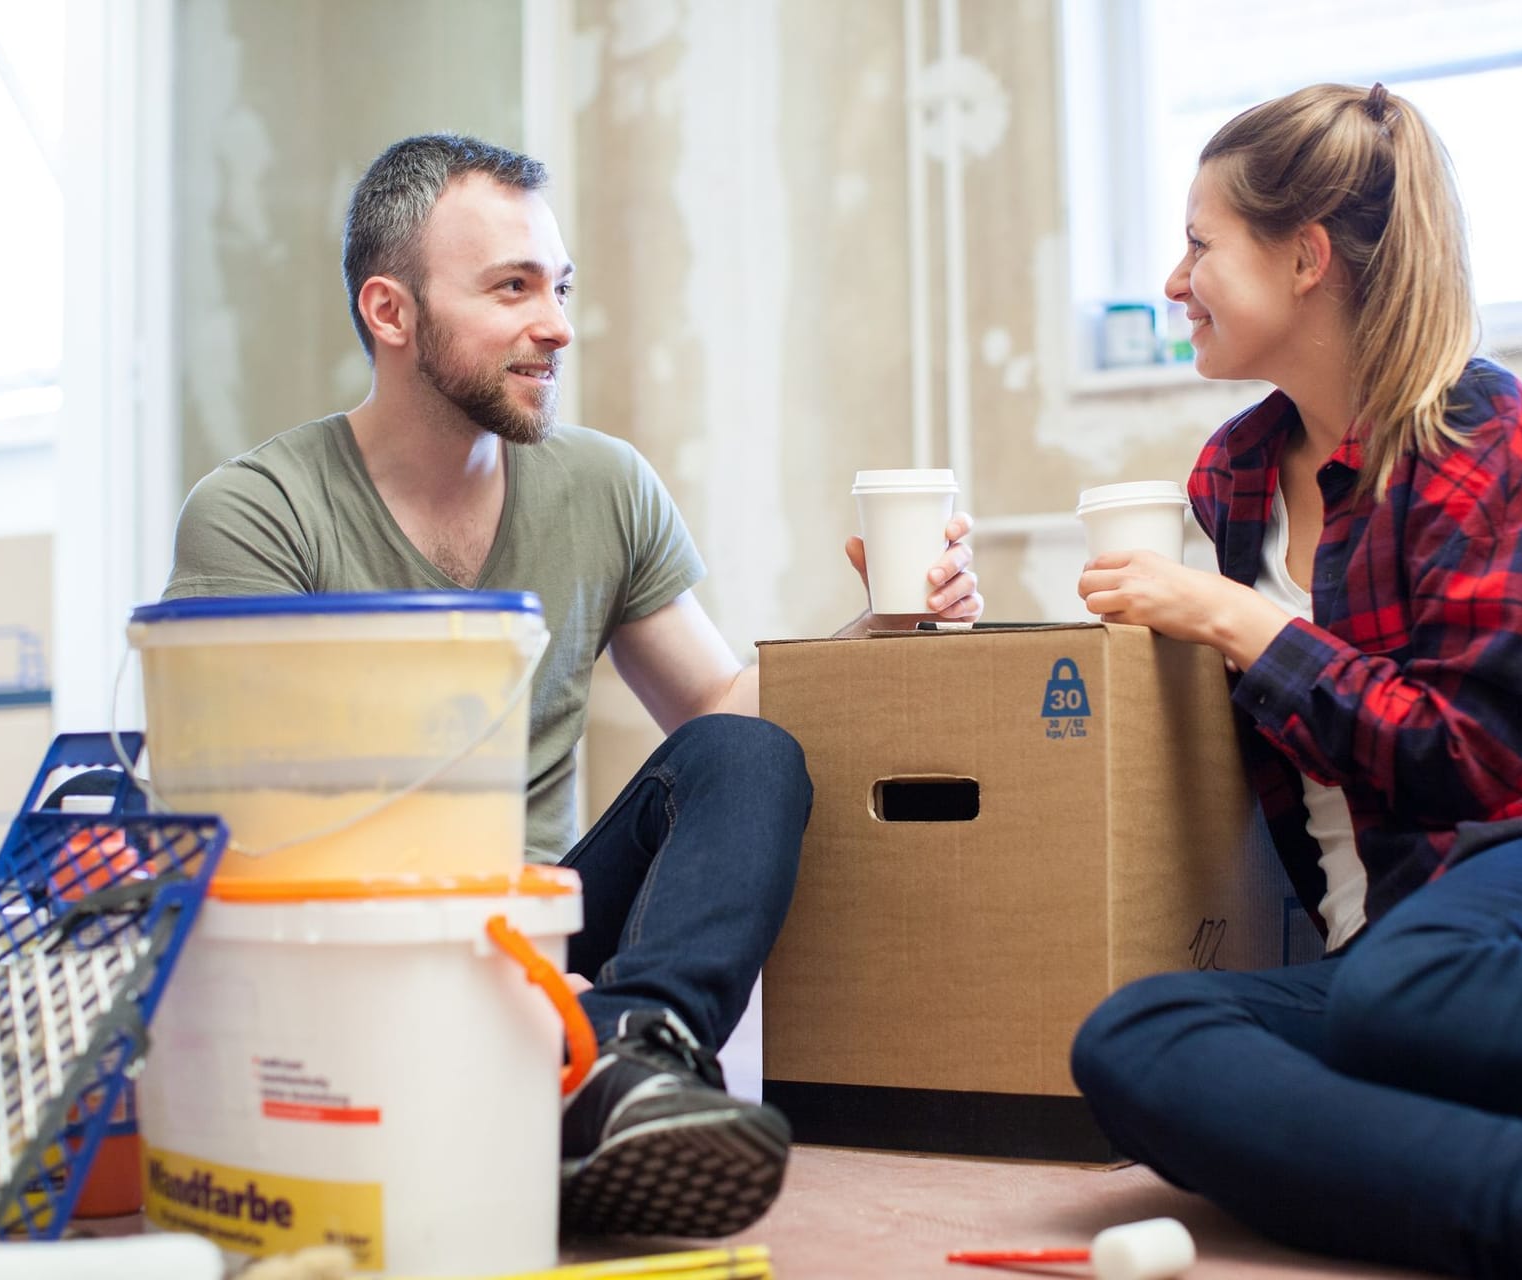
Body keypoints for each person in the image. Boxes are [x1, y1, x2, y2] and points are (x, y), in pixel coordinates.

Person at [163, 133, 982, 1239]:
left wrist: (878, 632)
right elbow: (233, 831)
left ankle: (628, 1058)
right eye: (511, 288)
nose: (556, 323)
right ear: (389, 312)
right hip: (350, 962)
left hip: (540, 940)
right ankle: (560, 1084)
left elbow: (722, 714)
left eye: (560, 286)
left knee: (750, 755)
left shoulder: (602, 484)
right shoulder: (260, 512)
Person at [1067, 83, 1522, 1280]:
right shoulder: (1232, 476)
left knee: (1405, 987)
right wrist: (933, 609)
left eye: (1197, 244)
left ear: (1305, 258)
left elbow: (1463, 761)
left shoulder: (1484, 438)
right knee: (1133, 1034)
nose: (1174, 282)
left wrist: (1235, 616)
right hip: (1395, 952)